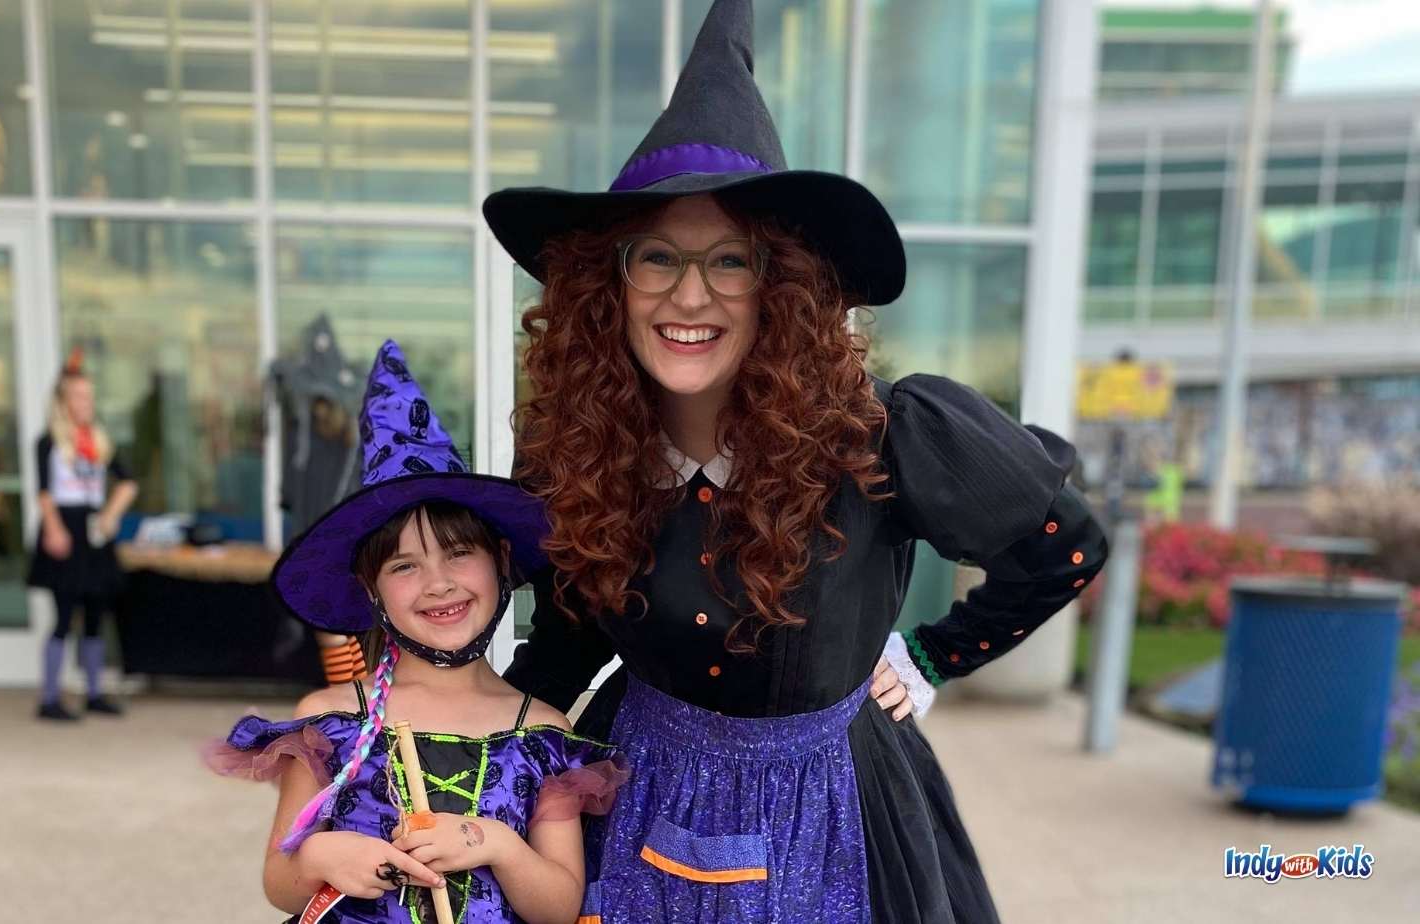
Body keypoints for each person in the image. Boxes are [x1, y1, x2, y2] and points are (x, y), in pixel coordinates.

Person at [482, 2, 1110, 921]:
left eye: (730, 261)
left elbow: (1067, 547)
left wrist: (935, 655)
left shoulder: (884, 437)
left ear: (782, 288)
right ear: (605, 285)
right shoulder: (582, 456)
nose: (688, 295)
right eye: (655, 256)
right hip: (639, 785)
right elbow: (570, 645)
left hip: (842, 803)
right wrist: (458, 749)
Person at [207, 340, 627, 924]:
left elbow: (558, 907)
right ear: (370, 586)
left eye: (458, 554)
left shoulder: (541, 733)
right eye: (404, 566)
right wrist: (321, 855)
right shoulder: (330, 721)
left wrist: (493, 843)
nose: (437, 583)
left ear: (502, 560)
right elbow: (281, 885)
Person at [27, 354, 137, 721]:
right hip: (65, 524)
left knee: (95, 612)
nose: (84, 404)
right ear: (62, 401)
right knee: (63, 614)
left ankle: (93, 691)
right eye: (77, 396)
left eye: (88, 396)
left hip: (93, 528)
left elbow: (129, 482)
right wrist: (53, 527)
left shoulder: (100, 442)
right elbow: (43, 492)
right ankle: (50, 697)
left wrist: (110, 514)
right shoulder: (48, 443)